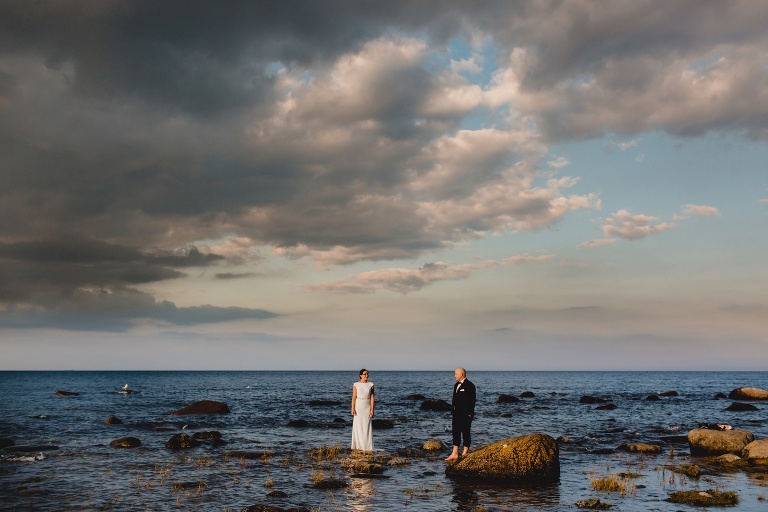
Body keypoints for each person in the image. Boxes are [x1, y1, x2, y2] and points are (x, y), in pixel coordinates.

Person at [445, 367, 475, 461]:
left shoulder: (470, 385)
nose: (454, 376)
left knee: (466, 432)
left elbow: (472, 401)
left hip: (466, 414)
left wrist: (470, 413)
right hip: (456, 413)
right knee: (455, 432)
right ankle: (455, 452)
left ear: (461, 374)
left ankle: (465, 452)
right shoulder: (456, 385)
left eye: (456, 374)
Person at [351, 368, 375, 451]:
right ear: (361, 375)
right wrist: (353, 408)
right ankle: (358, 446)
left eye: (367, 374)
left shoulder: (371, 384)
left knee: (367, 426)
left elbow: (372, 397)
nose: (366, 375)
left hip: (367, 406)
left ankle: (367, 447)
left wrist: (372, 409)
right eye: (365, 374)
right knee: (358, 426)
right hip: (359, 406)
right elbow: (354, 397)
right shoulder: (356, 385)